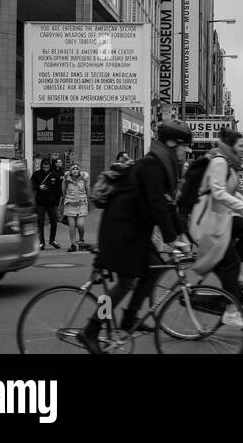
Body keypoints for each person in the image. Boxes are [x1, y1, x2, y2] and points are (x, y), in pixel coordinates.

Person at [78, 121, 191, 354]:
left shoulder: (164, 165)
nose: (186, 151)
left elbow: (169, 205)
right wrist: (172, 239)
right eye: (184, 147)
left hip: (135, 230)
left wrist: (183, 235)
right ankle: (91, 328)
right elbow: (157, 204)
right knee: (125, 284)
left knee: (157, 266)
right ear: (171, 143)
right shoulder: (153, 165)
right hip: (120, 230)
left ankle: (130, 318)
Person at [189, 128, 243, 329]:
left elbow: (233, 194)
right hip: (207, 222)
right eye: (241, 146)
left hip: (220, 219)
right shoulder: (220, 162)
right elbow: (219, 194)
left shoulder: (230, 164)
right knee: (230, 263)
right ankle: (230, 311)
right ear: (231, 147)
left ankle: (234, 277)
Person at [34, 156, 64, 250]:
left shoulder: (54, 175)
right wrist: (39, 187)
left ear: (50, 166)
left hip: (52, 203)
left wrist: (58, 201)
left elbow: (59, 189)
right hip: (40, 203)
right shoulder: (36, 174)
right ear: (41, 166)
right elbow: (31, 185)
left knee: (54, 222)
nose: (45, 169)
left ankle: (52, 240)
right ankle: (41, 243)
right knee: (40, 223)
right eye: (44, 167)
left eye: (47, 167)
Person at [61, 162, 90, 252]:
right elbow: (64, 191)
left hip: (81, 204)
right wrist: (67, 199)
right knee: (72, 226)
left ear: (79, 170)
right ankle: (72, 244)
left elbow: (88, 191)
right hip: (70, 204)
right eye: (73, 169)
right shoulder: (66, 179)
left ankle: (81, 241)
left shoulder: (84, 179)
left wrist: (86, 201)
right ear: (70, 171)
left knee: (80, 224)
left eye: (77, 169)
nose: (75, 171)